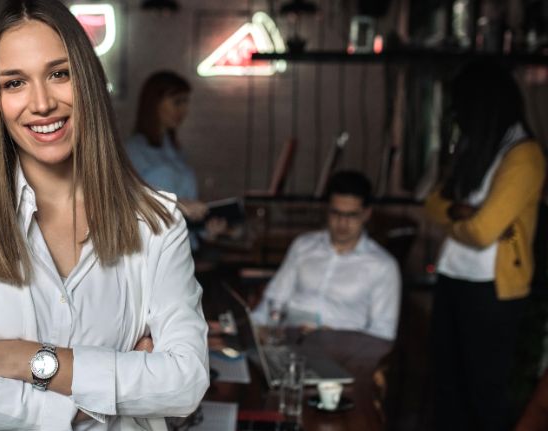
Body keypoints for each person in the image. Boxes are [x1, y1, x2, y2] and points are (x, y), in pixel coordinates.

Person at [0, 1, 209, 430]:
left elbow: (187, 383)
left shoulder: (159, 222)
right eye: (14, 83)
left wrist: (31, 362)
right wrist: (109, 397)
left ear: (86, 80)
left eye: (59, 74)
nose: (42, 103)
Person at [424, 60, 546, 431]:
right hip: (453, 276)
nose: (458, 116)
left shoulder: (524, 156)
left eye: (462, 106)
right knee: (446, 388)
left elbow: (482, 231)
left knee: (484, 392)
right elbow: (432, 203)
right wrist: (461, 213)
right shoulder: (475, 150)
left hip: (494, 290)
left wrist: (459, 216)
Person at [252, 170, 401, 341]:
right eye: (336, 213)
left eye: (351, 215)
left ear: (366, 214)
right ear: (327, 211)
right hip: (289, 340)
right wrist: (252, 328)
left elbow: (383, 333)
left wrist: (337, 339)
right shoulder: (304, 246)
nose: (342, 223)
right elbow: (274, 299)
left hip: (341, 352)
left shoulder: (382, 265)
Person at [125, 71, 225, 250]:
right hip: (151, 251)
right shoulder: (133, 151)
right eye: (177, 102)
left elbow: (189, 210)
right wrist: (175, 205)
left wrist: (206, 228)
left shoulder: (175, 152)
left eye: (186, 102)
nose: (184, 110)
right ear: (155, 103)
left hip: (184, 249)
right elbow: (127, 203)